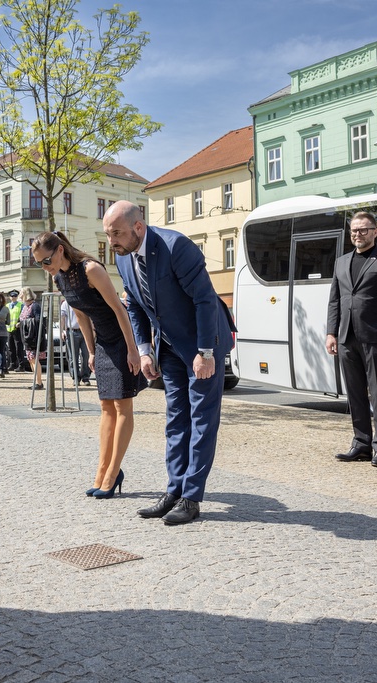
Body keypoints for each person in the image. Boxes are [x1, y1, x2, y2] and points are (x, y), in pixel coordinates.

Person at [104, 201, 236, 525]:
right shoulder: (123, 259)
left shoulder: (176, 247)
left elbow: (205, 300)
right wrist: (145, 349)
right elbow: (134, 305)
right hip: (169, 346)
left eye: (117, 234)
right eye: (107, 235)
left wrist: (205, 353)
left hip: (203, 342)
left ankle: (192, 498)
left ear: (138, 227)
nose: (112, 242)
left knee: (201, 418)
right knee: (176, 418)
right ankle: (174, 490)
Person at [34, 231, 146, 498]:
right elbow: (80, 315)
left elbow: (120, 310)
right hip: (104, 343)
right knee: (106, 407)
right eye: (39, 263)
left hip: (121, 338)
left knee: (122, 405)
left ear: (60, 250)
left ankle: (112, 472)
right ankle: (103, 470)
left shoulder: (91, 269)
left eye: (46, 260)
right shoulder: (59, 277)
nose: (45, 267)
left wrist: (134, 351)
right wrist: (92, 351)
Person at [326, 211, 377, 468]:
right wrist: (331, 332)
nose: (358, 235)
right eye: (354, 231)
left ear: (374, 231)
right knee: (354, 394)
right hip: (347, 337)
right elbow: (335, 300)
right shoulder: (341, 262)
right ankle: (360, 444)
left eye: (363, 230)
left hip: (376, 337)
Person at [60, 298, 91, 386]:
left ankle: (86, 377)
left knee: (86, 355)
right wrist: (62, 331)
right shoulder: (66, 303)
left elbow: (90, 316)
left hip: (85, 331)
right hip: (72, 332)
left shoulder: (84, 300)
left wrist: (92, 331)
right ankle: (76, 377)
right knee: (73, 357)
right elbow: (62, 317)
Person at [19, 287, 45, 389]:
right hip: (26, 337)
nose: (20, 294)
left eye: (21, 292)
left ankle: (39, 383)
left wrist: (24, 322)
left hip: (33, 337)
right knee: (30, 359)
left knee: (34, 359)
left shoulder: (35, 306)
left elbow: (38, 321)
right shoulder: (24, 306)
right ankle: (36, 381)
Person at [6, 289, 26, 371]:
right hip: (9, 329)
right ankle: (12, 364)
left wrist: (20, 323)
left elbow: (23, 316)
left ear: (17, 297)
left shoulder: (21, 305)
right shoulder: (7, 306)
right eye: (12, 296)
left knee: (19, 348)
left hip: (17, 329)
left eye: (15, 296)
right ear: (9, 297)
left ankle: (21, 365)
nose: (13, 297)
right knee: (11, 348)